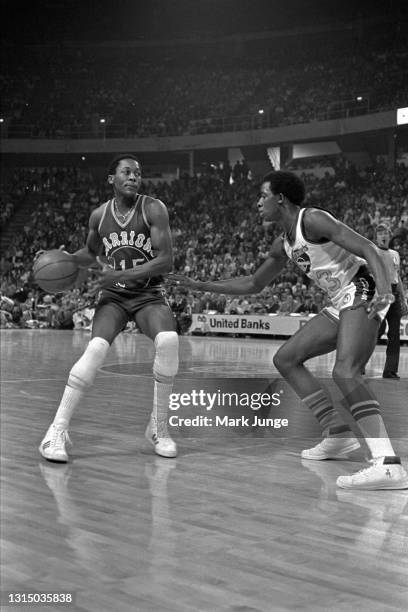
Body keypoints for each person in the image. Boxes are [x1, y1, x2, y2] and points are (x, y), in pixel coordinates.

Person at [170, 170, 408, 490]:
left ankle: (388, 463)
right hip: (341, 300)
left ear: (280, 198)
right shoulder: (284, 243)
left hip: (363, 290)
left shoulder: (312, 219)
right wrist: (199, 284)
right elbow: (254, 284)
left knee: (346, 372)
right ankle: (337, 433)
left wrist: (384, 290)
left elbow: (369, 248)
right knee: (286, 358)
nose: (257, 203)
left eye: (262, 195)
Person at [39, 154, 179, 462]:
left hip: (149, 293)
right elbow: (90, 254)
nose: (133, 177)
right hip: (114, 296)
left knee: (168, 341)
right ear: (111, 179)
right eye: (126, 172)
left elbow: (166, 261)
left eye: (137, 173)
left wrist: (121, 274)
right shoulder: (99, 216)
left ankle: (159, 427)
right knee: (95, 351)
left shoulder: (153, 208)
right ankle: (56, 431)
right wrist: (66, 259)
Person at [375, 223, 407, 379]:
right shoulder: (372, 252)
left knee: (394, 334)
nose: (383, 235)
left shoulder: (395, 254)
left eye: (385, 232)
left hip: (394, 293)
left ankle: (390, 370)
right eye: (380, 232)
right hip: (379, 293)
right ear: (376, 237)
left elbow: (398, 277)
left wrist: (403, 298)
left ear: (389, 235)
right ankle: (358, 364)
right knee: (375, 331)